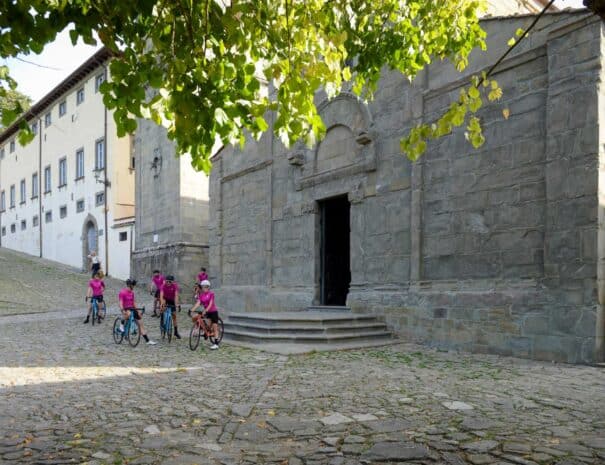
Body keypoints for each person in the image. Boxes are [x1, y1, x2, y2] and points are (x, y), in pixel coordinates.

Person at [119, 278, 156, 345]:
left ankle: (147, 340)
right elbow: (121, 303)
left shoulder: (132, 293)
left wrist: (138, 311)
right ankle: (121, 324)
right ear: (130, 285)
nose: (134, 286)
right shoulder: (122, 292)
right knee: (128, 314)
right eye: (133, 285)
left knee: (140, 324)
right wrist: (122, 310)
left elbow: (133, 303)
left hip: (132, 308)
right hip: (126, 308)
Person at [190, 279, 220, 350]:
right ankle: (206, 332)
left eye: (206, 287)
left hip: (213, 311)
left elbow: (211, 303)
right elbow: (198, 303)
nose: (204, 288)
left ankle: (216, 343)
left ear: (208, 287)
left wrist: (206, 310)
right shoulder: (201, 295)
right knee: (208, 326)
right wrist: (192, 309)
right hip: (207, 312)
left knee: (215, 327)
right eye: (203, 287)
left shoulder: (211, 294)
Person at [160, 275, 181, 339]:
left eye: (170, 282)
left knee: (174, 315)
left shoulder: (175, 286)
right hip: (165, 299)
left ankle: (176, 332)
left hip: (171, 300)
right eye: (167, 281)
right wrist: (161, 303)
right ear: (165, 281)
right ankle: (162, 323)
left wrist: (177, 304)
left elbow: (176, 295)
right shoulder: (163, 286)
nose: (168, 283)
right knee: (163, 306)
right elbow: (161, 295)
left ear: (172, 282)